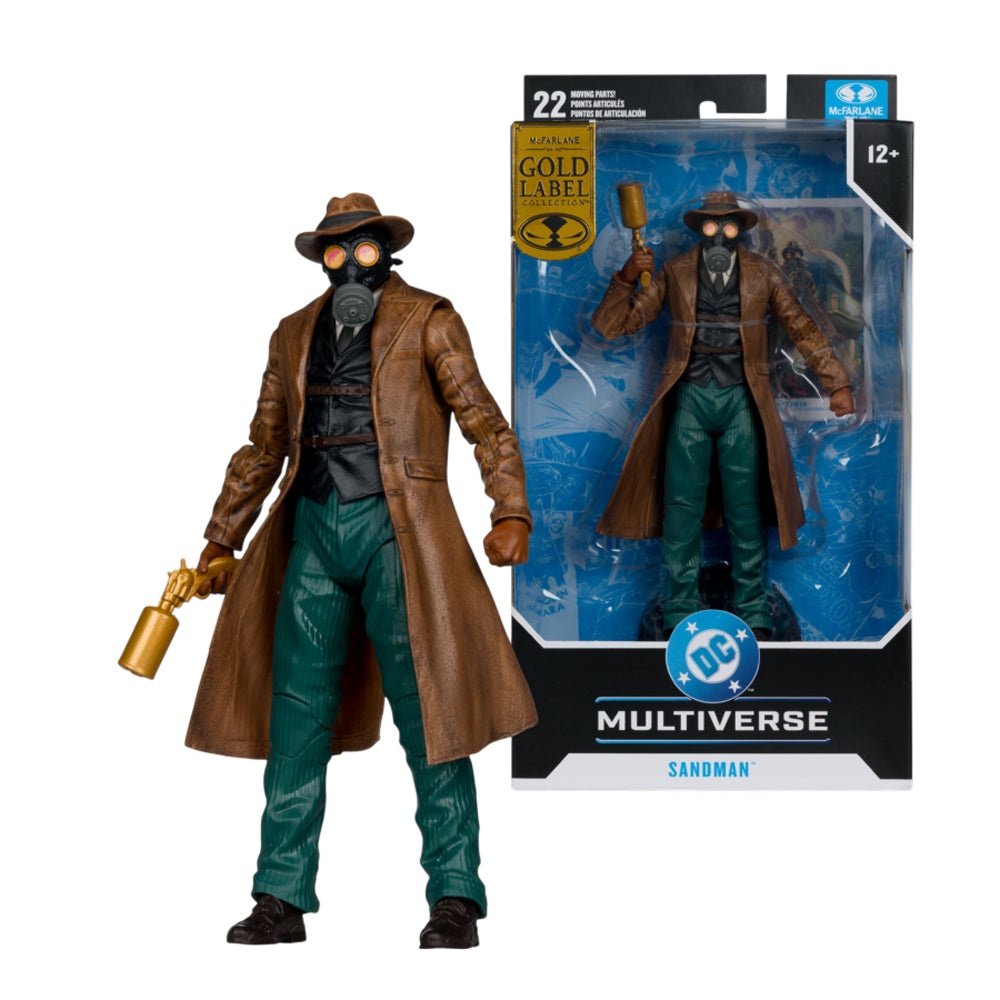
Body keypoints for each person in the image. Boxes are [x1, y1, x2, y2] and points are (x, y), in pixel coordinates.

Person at [185, 193, 537, 948]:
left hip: (398, 531)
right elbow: (263, 445)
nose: (351, 265)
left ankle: (456, 895)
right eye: (336, 252)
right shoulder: (291, 333)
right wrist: (221, 537)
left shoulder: (430, 318)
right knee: (295, 717)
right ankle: (280, 896)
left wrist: (510, 509)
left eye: (365, 250)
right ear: (322, 260)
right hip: (312, 531)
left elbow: (483, 422)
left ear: (387, 253)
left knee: (433, 715)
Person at [592, 190, 855, 637]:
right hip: (690, 397)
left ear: (741, 232)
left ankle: (754, 610)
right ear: (699, 229)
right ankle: (678, 611)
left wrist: (838, 382)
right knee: (680, 509)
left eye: (728, 227)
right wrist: (625, 277)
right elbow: (613, 325)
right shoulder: (675, 271)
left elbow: (802, 326)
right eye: (711, 227)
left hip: (742, 399)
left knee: (746, 509)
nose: (718, 237)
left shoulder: (764, 273)